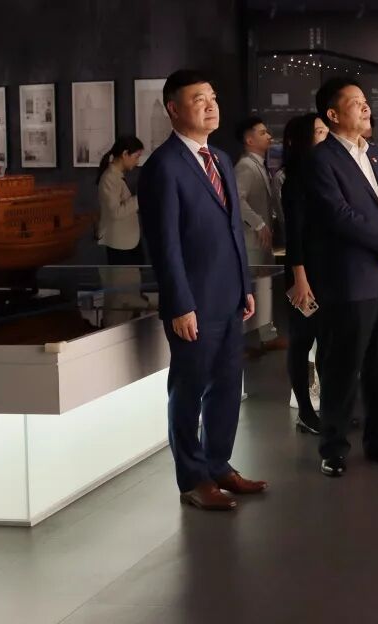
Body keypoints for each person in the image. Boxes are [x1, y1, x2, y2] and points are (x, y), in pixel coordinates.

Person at [138, 69, 267, 511]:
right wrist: (179, 304)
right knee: (189, 390)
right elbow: (165, 244)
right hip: (193, 302)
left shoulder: (221, 159)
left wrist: (245, 285)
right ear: (173, 109)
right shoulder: (163, 166)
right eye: (199, 99)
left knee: (228, 385)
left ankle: (218, 464)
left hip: (229, 296)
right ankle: (193, 478)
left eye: (212, 97)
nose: (211, 105)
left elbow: (233, 230)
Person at [303, 78, 378, 478]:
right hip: (350, 281)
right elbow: (339, 216)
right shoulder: (321, 160)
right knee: (341, 369)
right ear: (333, 114)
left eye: (365, 101)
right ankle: (333, 448)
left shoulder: (377, 155)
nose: (366, 107)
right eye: (356, 103)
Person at [280, 112, 324, 434]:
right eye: (319, 132)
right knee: (302, 340)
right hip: (304, 274)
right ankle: (305, 411)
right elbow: (294, 235)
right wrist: (300, 277)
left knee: (326, 341)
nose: (327, 136)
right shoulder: (295, 180)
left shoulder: (326, 174)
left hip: (328, 271)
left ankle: (328, 407)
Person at [234, 116, 286, 354]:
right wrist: (258, 223)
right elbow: (236, 200)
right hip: (250, 242)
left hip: (260, 243)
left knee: (263, 289)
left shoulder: (258, 165)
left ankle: (267, 336)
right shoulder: (245, 166)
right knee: (249, 291)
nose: (269, 137)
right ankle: (241, 342)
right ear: (249, 139)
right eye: (263, 132)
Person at [96, 135, 145, 264]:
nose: (137, 162)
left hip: (127, 242)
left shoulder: (117, 176)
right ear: (125, 154)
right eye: (136, 157)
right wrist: (141, 197)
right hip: (120, 244)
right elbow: (115, 212)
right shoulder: (109, 178)